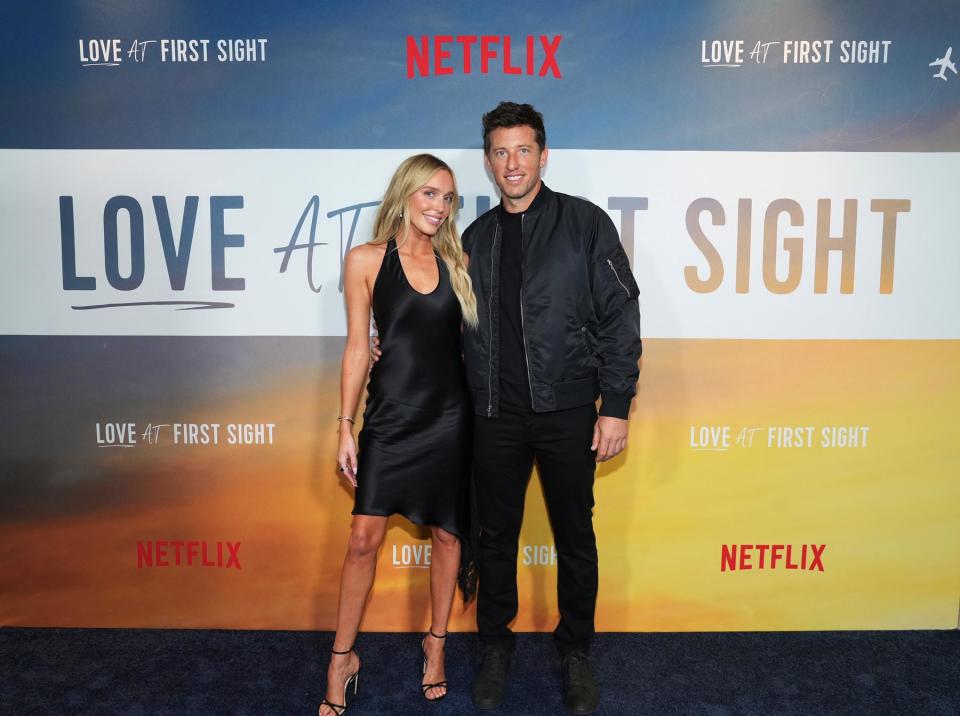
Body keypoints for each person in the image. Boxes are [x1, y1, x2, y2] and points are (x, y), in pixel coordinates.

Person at [462, 102, 641, 715]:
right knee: (495, 539)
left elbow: (621, 316)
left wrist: (614, 405)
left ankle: (576, 651)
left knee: (575, 537)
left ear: (543, 154)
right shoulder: (474, 239)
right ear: (488, 161)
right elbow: (448, 323)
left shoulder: (585, 224)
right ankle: (495, 647)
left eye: (522, 150)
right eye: (500, 152)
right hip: (494, 416)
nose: (512, 163)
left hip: (567, 411)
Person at [320, 154, 478, 715]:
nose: (439, 207)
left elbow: (474, 345)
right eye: (430, 194)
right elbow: (359, 346)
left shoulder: (458, 260)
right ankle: (342, 657)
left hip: (450, 416)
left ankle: (436, 645)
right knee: (363, 537)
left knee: (448, 536)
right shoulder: (365, 260)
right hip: (390, 415)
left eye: (448, 198)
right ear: (406, 195)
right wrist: (345, 424)